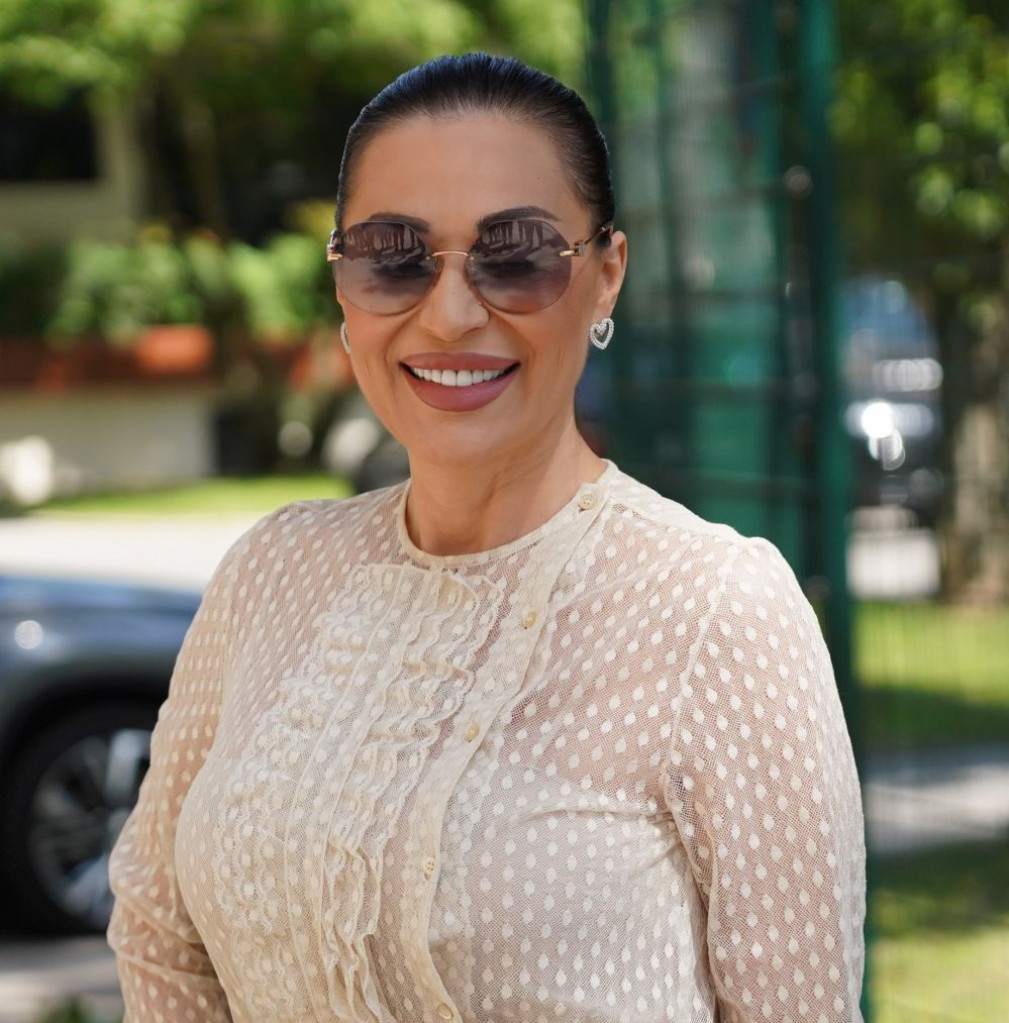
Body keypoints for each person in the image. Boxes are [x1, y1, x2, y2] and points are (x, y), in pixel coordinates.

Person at [107, 52, 866, 1023]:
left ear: (605, 277)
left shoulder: (714, 611)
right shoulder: (271, 572)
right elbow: (158, 930)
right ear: (342, 286)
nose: (452, 313)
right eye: (393, 256)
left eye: (516, 255)